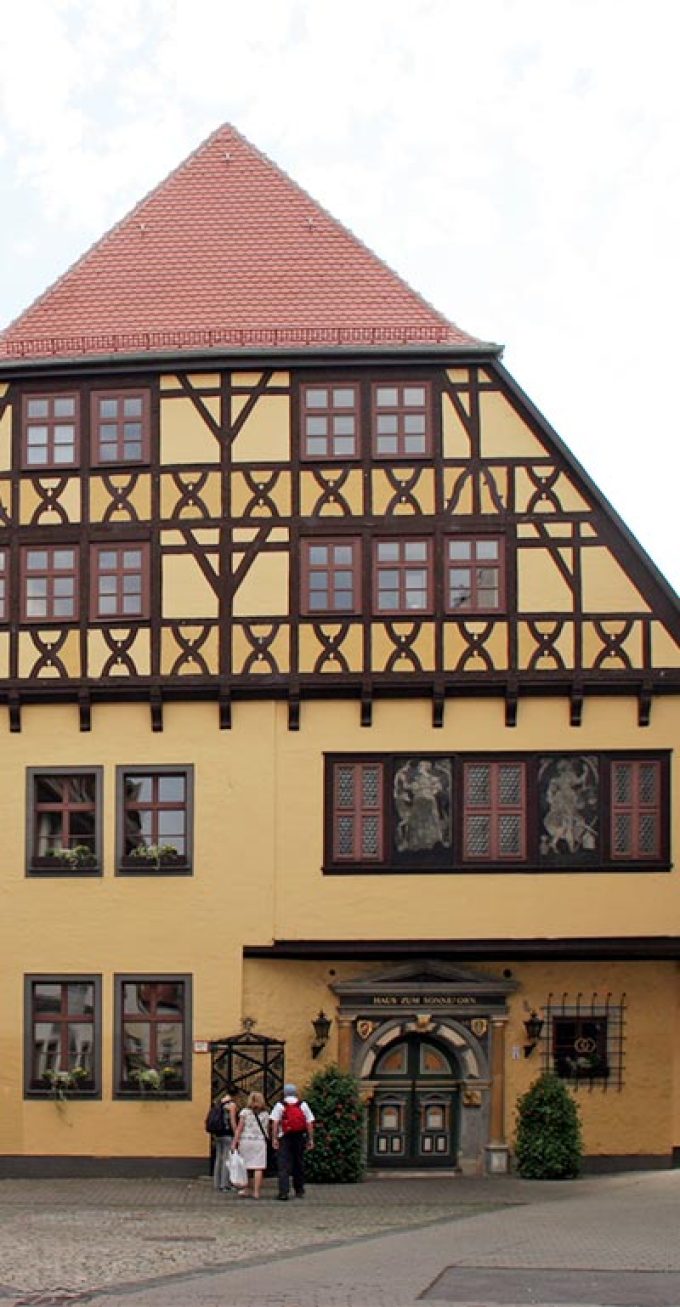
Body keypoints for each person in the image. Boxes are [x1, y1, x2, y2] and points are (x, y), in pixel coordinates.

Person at [270, 1082, 315, 1201]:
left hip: (284, 1137)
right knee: (298, 1162)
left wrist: (274, 1138)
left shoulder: (280, 1105)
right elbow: (309, 1122)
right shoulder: (303, 1105)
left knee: (283, 1164)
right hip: (299, 1136)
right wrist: (310, 1138)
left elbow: (275, 1123)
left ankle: (283, 1192)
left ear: (284, 1093)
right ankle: (299, 1190)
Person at [231, 1091, 270, 1199]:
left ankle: (246, 1189)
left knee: (246, 1166)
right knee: (258, 1167)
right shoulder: (265, 1114)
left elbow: (239, 1128)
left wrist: (234, 1142)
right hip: (259, 1141)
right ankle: (256, 1192)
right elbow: (267, 1129)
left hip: (246, 1141)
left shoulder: (245, 1112)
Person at [211, 1088, 238, 1193]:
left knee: (219, 1158)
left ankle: (217, 1183)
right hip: (227, 1134)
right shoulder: (232, 1105)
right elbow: (232, 1121)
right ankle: (225, 1184)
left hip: (218, 1133)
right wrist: (236, 1134)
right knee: (227, 1159)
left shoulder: (219, 1102)